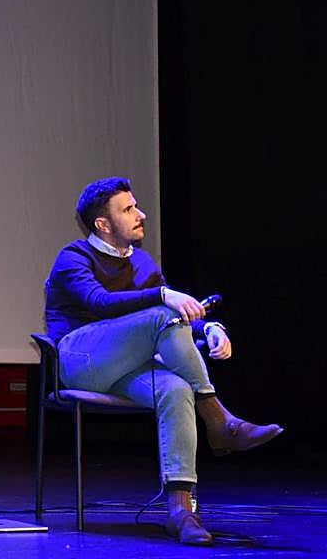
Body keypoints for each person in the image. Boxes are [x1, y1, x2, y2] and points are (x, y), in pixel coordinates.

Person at [45, 176, 282, 546]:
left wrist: (210, 328)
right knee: (161, 314)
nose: (141, 214)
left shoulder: (142, 263)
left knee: (175, 387)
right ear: (102, 225)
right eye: (128, 209)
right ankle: (220, 421)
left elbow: (180, 312)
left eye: (136, 205)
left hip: (125, 368)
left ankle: (180, 509)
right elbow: (99, 303)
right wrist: (163, 296)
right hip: (80, 362)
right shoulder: (73, 257)